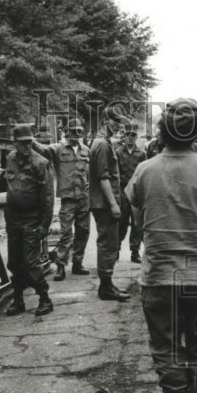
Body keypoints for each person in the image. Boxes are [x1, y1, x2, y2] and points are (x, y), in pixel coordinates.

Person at [126, 98, 197, 393]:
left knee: (166, 345)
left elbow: (139, 222)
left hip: (158, 275)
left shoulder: (144, 171)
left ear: (161, 132)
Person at [3, 124, 54, 317]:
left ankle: (45, 298)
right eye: (23, 143)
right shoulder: (10, 159)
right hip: (13, 218)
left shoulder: (40, 163)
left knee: (31, 262)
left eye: (29, 142)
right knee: (15, 261)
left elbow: (48, 197)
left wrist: (44, 225)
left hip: (32, 218)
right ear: (14, 142)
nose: (27, 146)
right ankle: (18, 300)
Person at [32, 119, 89, 281]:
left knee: (83, 232)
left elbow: (89, 172)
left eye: (79, 131)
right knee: (65, 234)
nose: (76, 135)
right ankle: (61, 266)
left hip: (84, 198)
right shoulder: (58, 149)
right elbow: (42, 150)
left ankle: (78, 263)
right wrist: (31, 140)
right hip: (68, 199)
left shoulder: (86, 150)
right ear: (66, 132)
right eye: (72, 131)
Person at [88, 108, 131, 301]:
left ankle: (107, 284)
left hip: (101, 202)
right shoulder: (102, 145)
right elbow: (104, 177)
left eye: (121, 122)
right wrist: (114, 205)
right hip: (105, 204)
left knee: (109, 242)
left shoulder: (102, 142)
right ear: (106, 121)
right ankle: (105, 288)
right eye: (115, 122)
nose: (119, 126)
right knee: (108, 244)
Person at [115, 126, 146, 264]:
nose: (130, 138)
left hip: (136, 193)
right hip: (122, 192)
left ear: (136, 137)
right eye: (128, 135)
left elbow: (143, 173)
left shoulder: (141, 154)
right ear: (124, 136)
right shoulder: (118, 153)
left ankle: (135, 251)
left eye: (133, 135)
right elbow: (115, 173)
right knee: (120, 222)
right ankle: (116, 250)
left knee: (136, 223)